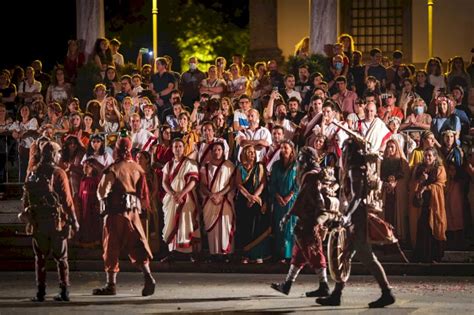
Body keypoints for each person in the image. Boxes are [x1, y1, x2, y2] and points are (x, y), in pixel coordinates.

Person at [317, 137, 395, 308]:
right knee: (345, 255)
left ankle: (387, 292)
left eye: (344, 150)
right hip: (355, 218)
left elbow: (357, 197)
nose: (342, 154)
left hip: (358, 219)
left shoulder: (355, 170)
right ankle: (337, 294)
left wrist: (347, 217)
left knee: (367, 256)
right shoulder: (357, 168)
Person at [93, 137, 155, 296]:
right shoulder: (137, 168)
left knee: (111, 247)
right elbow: (143, 194)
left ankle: (111, 285)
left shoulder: (114, 168)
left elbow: (101, 191)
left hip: (116, 213)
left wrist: (104, 200)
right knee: (137, 244)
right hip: (133, 213)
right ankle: (148, 277)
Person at [19, 141, 79, 302]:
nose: (60, 156)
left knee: (40, 259)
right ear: (53, 154)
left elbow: (25, 199)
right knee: (61, 258)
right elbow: (67, 200)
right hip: (56, 221)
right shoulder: (58, 173)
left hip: (38, 222)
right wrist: (74, 220)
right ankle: (64, 290)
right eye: (58, 153)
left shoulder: (33, 172)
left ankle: (40, 292)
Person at [270, 146, 330, 297]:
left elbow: (302, 198)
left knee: (314, 251)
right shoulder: (315, 173)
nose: (299, 160)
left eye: (302, 157)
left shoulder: (310, 175)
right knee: (298, 255)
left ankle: (324, 285)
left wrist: (289, 215)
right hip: (308, 217)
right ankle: (287, 285)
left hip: (310, 218)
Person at [161, 138, 201, 260]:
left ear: (184, 148)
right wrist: (173, 194)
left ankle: (189, 253)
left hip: (187, 198)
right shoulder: (168, 164)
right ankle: (172, 252)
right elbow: (164, 182)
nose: (178, 149)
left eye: (180, 146)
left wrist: (182, 193)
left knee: (186, 222)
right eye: (175, 147)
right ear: (172, 149)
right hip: (172, 199)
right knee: (172, 222)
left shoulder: (190, 163)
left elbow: (193, 181)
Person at [409, 148, 447, 262]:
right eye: (425, 155)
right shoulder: (419, 168)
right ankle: (422, 255)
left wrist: (427, 187)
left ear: (435, 157)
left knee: (434, 226)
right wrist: (421, 180)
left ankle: (434, 256)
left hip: (434, 202)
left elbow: (440, 184)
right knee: (423, 226)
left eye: (430, 156)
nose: (427, 158)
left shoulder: (440, 169)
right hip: (423, 202)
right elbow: (413, 184)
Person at [235, 145, 271, 264]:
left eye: (253, 152)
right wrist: (249, 197)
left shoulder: (259, 166)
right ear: (244, 153)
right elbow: (239, 185)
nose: (252, 154)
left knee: (257, 227)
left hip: (257, 200)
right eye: (249, 152)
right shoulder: (240, 167)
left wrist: (254, 197)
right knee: (245, 227)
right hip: (243, 201)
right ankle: (245, 255)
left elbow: (263, 183)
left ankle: (257, 255)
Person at [200, 142, 236, 261]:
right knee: (213, 228)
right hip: (210, 201)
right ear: (210, 152)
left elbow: (231, 184)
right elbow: (203, 185)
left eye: (219, 149)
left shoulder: (229, 165)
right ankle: (214, 253)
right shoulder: (205, 167)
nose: (217, 152)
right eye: (214, 150)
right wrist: (211, 195)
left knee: (225, 225)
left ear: (223, 151)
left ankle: (227, 253)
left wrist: (220, 194)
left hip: (225, 200)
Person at [268, 140, 298, 262]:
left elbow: (298, 183)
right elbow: (272, 183)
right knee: (280, 226)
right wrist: (277, 196)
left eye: (286, 148)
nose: (284, 150)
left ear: (291, 150)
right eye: (282, 148)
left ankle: (291, 255)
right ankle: (281, 254)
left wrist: (290, 195)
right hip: (279, 201)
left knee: (291, 227)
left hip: (292, 201)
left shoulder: (297, 165)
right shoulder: (276, 165)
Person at [381, 139, 410, 243]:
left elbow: (406, 177)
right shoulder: (383, 162)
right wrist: (385, 184)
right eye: (388, 147)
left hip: (398, 195)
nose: (389, 149)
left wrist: (396, 184)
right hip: (386, 194)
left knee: (397, 217)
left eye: (392, 147)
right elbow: (380, 177)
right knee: (386, 216)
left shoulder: (402, 162)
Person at [77, 158, 102, 247]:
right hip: (84, 203)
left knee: (92, 221)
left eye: (87, 166)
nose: (85, 168)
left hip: (92, 203)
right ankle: (85, 240)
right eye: (84, 166)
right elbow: (81, 192)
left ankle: (94, 240)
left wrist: (97, 203)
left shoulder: (96, 179)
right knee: (84, 220)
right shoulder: (83, 179)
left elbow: (99, 192)